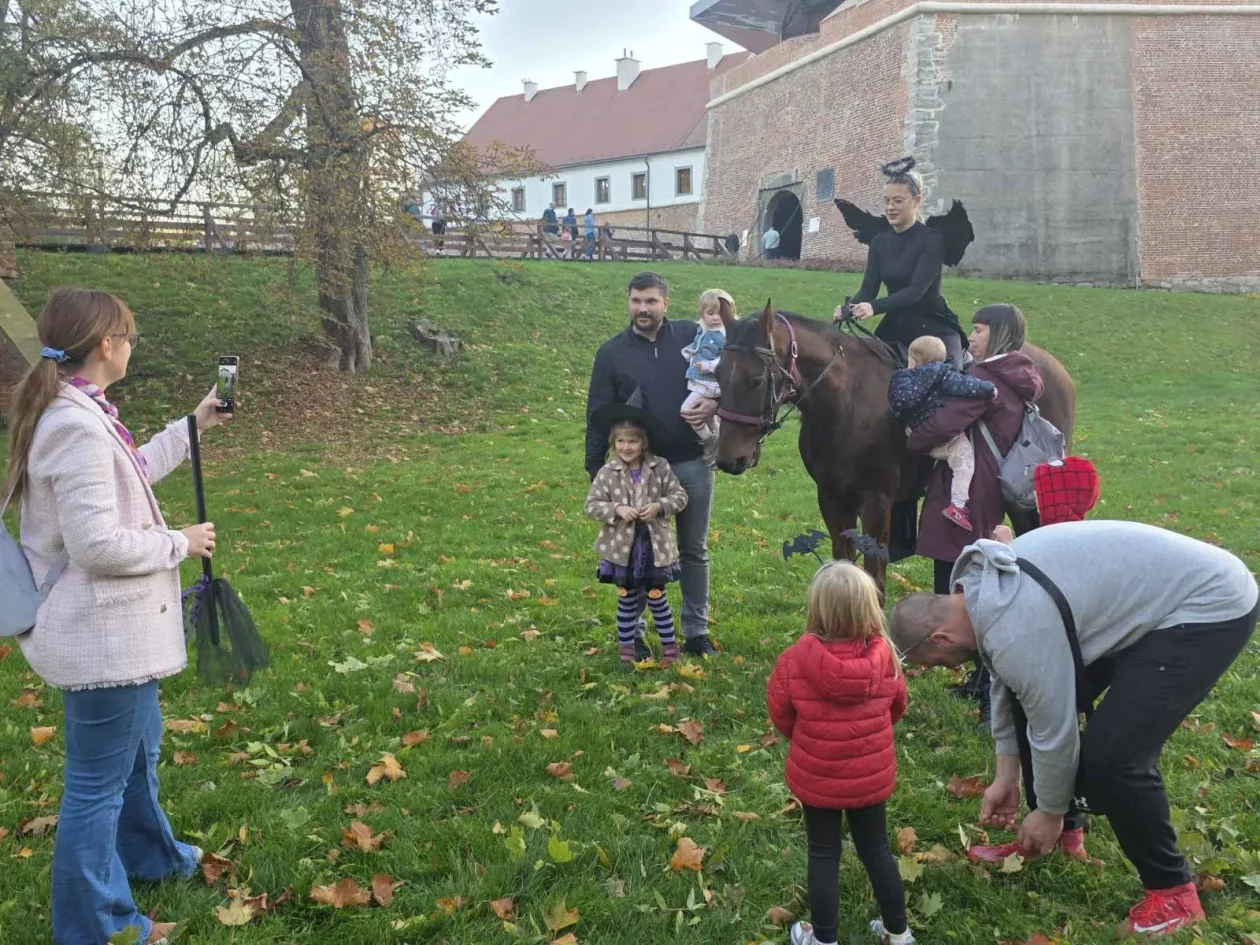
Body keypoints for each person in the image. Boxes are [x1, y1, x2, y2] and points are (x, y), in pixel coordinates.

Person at [888, 522, 1258, 937]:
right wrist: (1005, 776)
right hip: (1142, 601)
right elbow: (1009, 685)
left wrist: (1048, 809)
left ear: (940, 638)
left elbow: (1054, 727)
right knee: (1033, 699)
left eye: (938, 663)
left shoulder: (1015, 626)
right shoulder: (980, 592)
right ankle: (1062, 834)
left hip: (1209, 602)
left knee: (1115, 757)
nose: (951, 669)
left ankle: (1173, 892)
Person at [4, 287, 231, 945]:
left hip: (115, 632)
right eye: (127, 335)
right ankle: (97, 926)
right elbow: (96, 544)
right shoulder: (73, 426)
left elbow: (128, 473)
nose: (131, 345)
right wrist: (178, 542)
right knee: (96, 788)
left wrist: (192, 426)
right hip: (103, 638)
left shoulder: (82, 411)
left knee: (137, 754)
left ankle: (151, 856)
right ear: (105, 344)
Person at [904, 304, 1044, 719]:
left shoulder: (984, 379)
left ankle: (990, 692)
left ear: (998, 334)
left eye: (979, 330)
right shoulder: (1016, 375)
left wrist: (910, 434)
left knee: (965, 586)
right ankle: (982, 680)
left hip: (965, 491)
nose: (972, 338)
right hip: (989, 484)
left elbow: (943, 424)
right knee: (976, 581)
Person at [767, 561, 913, 945]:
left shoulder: (794, 660)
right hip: (871, 773)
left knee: (823, 852)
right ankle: (898, 933)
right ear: (870, 608)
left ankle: (824, 938)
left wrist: (807, 738)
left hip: (817, 776)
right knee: (877, 849)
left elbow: (780, 711)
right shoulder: (887, 661)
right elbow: (898, 707)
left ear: (816, 609)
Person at [585, 271, 718, 658]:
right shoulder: (611, 353)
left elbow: (723, 374)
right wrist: (595, 466)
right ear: (629, 302)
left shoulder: (691, 338)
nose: (643, 308)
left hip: (691, 460)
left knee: (694, 550)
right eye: (636, 301)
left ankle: (696, 631)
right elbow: (597, 411)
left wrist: (714, 404)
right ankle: (636, 634)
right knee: (636, 552)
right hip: (637, 472)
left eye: (651, 301)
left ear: (666, 303)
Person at [833, 158, 967, 367]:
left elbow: (915, 292)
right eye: (886, 201)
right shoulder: (879, 241)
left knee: (950, 378)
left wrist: (874, 307)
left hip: (933, 324)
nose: (890, 207)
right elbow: (868, 290)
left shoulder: (933, 239)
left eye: (898, 201)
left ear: (916, 201)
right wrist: (847, 309)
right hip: (895, 325)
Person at [584, 404, 688, 666]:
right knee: (627, 598)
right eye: (621, 441)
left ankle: (669, 649)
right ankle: (627, 649)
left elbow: (680, 496)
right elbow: (591, 505)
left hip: (654, 546)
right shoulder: (608, 472)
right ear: (613, 442)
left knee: (657, 597)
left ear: (643, 443)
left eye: (632, 441)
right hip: (622, 550)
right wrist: (616, 509)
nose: (626, 447)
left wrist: (659, 507)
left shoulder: (660, 467)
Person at [889, 335, 997, 532]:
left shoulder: (901, 377)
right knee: (964, 460)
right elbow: (968, 386)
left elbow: (898, 403)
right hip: (941, 438)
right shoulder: (944, 374)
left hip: (912, 431)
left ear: (911, 360)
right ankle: (957, 505)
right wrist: (990, 389)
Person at [680, 289, 731, 463]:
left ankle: (710, 440)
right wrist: (689, 354)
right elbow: (697, 347)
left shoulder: (723, 336)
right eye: (710, 313)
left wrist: (709, 366)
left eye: (720, 313)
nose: (716, 318)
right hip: (700, 380)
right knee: (708, 417)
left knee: (687, 411)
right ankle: (719, 438)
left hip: (709, 382)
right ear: (702, 314)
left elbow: (727, 359)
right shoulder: (704, 330)